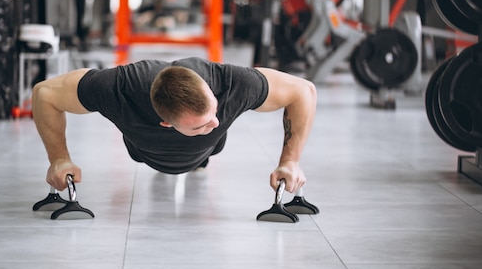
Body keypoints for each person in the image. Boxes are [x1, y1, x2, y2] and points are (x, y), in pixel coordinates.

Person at [31, 57, 317, 195]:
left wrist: (290, 162)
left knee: (211, 139)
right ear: (166, 123)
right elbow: (45, 94)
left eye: (213, 112)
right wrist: (59, 160)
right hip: (143, 150)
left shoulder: (232, 83)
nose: (215, 122)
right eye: (201, 125)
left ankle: (200, 155)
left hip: (207, 150)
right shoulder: (117, 88)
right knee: (143, 146)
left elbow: (303, 91)